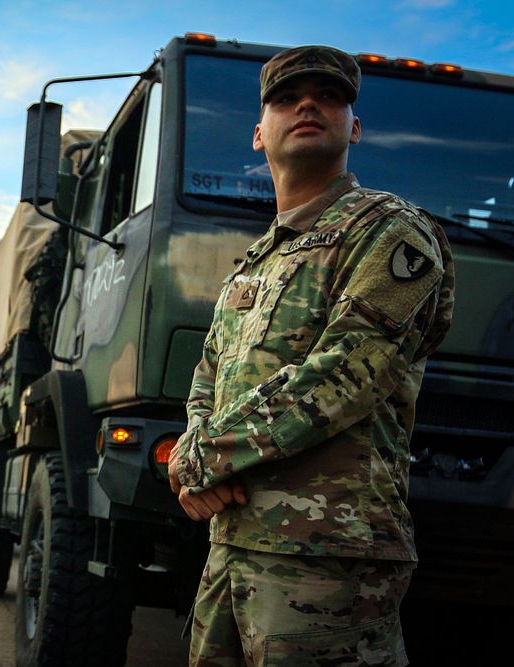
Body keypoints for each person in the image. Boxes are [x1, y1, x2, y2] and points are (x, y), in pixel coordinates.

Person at [168, 45, 455, 666]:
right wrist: (196, 449)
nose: (307, 105)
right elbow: (208, 378)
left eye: (328, 97)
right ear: (257, 133)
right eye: (286, 98)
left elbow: (350, 370)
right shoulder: (258, 260)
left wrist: (202, 458)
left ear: (353, 127)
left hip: (330, 557)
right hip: (235, 545)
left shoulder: (388, 230)